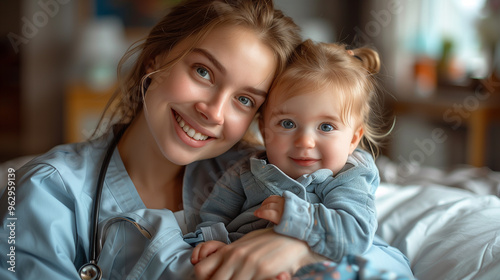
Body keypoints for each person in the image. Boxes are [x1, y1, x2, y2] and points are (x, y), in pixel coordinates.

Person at [0, 0, 314, 279]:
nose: (214, 112)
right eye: (203, 72)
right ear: (156, 59)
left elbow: (357, 194)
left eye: (244, 100)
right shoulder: (47, 192)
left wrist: (299, 244)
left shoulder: (258, 178)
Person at [189, 40, 415, 279]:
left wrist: (300, 216)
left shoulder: (347, 177)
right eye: (288, 124)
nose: (305, 142)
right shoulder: (246, 171)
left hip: (323, 266)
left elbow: (355, 234)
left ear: (353, 140)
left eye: (326, 126)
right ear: (264, 130)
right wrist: (214, 243)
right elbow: (214, 215)